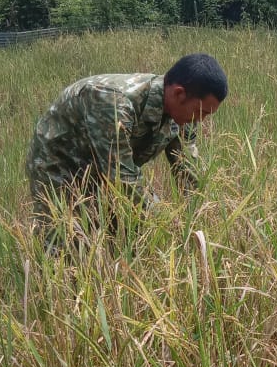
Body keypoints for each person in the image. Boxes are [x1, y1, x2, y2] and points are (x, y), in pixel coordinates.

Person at [26, 53, 228, 249]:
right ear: (178, 93)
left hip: (106, 163)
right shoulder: (114, 101)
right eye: (201, 112)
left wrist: (203, 218)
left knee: (126, 235)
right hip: (60, 162)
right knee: (68, 241)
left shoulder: (184, 114)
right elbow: (121, 178)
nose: (201, 120)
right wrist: (169, 222)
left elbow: (187, 170)